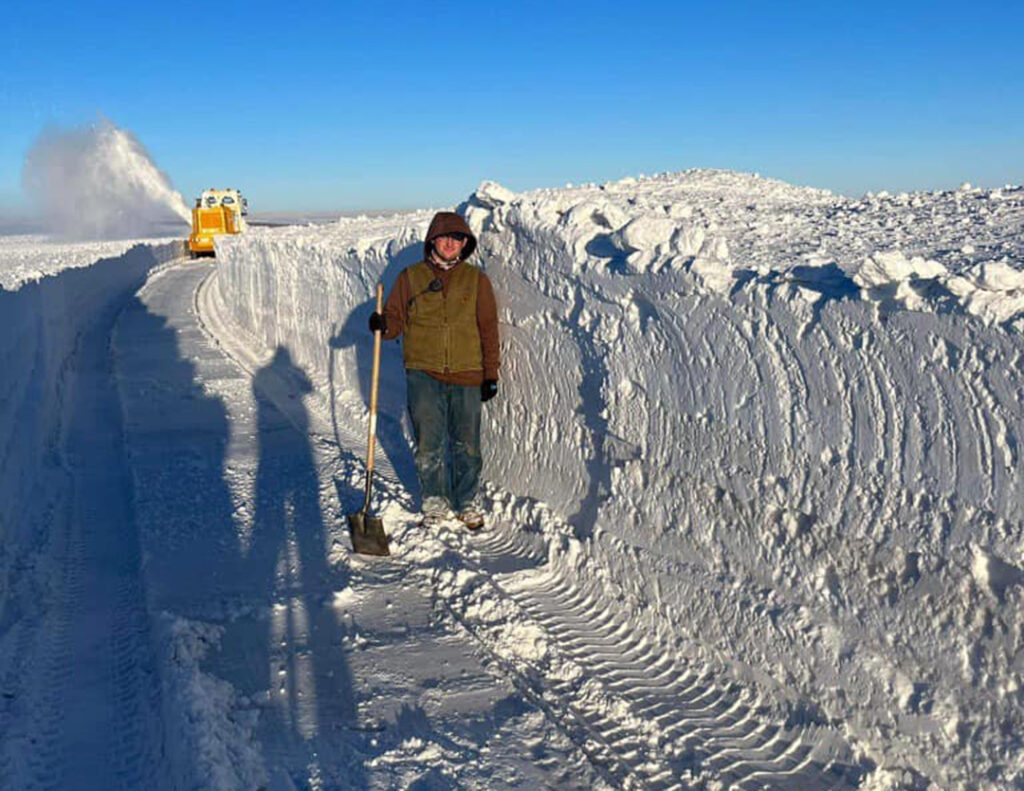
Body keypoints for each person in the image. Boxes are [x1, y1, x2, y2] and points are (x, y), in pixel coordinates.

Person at [369, 211, 500, 529]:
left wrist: (490, 374)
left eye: (457, 238)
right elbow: (395, 320)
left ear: (465, 243)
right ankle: (435, 502)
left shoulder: (476, 280)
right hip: (423, 371)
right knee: (429, 441)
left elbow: (488, 328)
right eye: (443, 237)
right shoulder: (410, 277)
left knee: (467, 443)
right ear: (432, 241)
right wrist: (383, 325)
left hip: (467, 371)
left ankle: (466, 501)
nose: (450, 243)